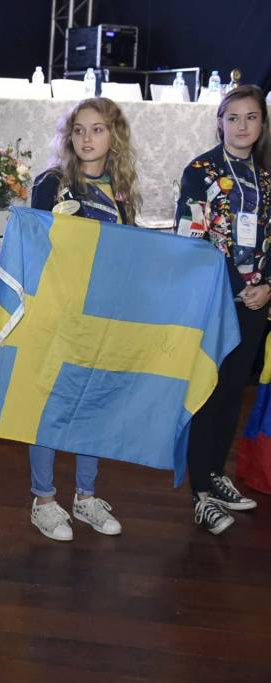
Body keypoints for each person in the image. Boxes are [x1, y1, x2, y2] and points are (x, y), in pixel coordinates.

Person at [25, 97, 140, 541]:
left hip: (103, 315)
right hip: (59, 312)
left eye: (97, 129)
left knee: (93, 404)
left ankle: (86, 496)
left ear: (114, 136)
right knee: (50, 404)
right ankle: (44, 499)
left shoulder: (121, 189)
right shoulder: (52, 183)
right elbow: (34, 247)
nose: (87, 138)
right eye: (79, 130)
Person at [175, 84, 269, 534]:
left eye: (251, 117)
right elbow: (191, 238)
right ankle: (200, 493)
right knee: (207, 393)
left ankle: (214, 473)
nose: (242, 126)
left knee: (233, 390)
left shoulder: (266, 175)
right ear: (220, 122)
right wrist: (237, 284)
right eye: (233, 118)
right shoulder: (201, 171)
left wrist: (267, 286)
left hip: (256, 300)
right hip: (214, 299)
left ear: (262, 124)